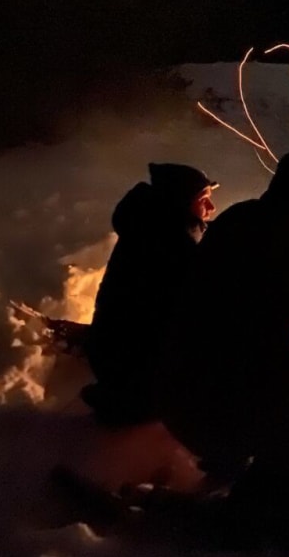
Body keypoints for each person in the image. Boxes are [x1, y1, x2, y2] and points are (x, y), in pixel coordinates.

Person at [159, 151, 289, 508]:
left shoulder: (232, 219)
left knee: (242, 358)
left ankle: (228, 461)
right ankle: (270, 488)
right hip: (231, 413)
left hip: (176, 402)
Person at [83, 162, 218, 425]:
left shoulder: (149, 224)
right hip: (135, 365)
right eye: (203, 200)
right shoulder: (174, 244)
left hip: (110, 351)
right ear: (180, 202)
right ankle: (130, 404)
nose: (211, 209)